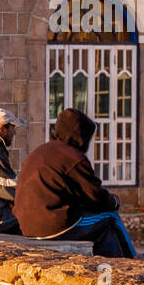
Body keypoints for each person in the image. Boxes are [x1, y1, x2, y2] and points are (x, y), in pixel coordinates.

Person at [14, 108, 136, 257]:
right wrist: (114, 201)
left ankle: (107, 265)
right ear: (80, 135)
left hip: (26, 226)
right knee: (110, 216)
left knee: (98, 225)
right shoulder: (73, 157)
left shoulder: (39, 151)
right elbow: (96, 197)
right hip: (54, 225)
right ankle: (132, 260)